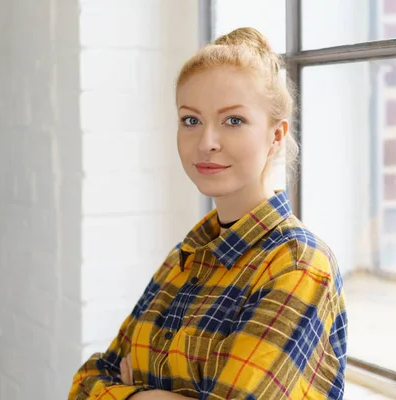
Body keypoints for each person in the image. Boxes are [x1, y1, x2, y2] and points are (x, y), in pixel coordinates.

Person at [68, 27, 347, 400]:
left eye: (233, 121)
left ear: (276, 136)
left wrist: (131, 391)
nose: (206, 142)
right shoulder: (186, 257)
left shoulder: (298, 265)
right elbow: (86, 381)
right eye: (191, 120)